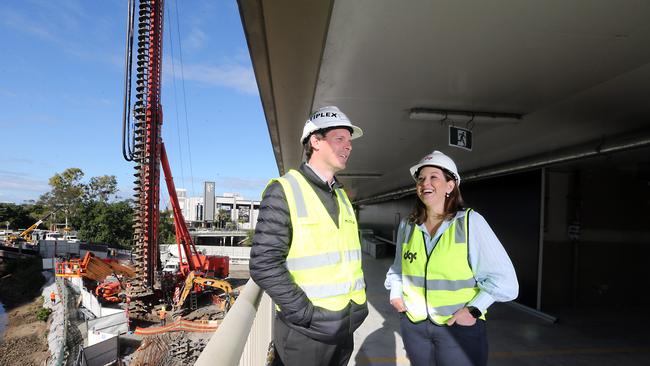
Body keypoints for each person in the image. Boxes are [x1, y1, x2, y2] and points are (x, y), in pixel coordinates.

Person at [250, 106, 368, 366]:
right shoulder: (284, 190)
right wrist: (304, 313)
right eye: (340, 139)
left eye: (349, 141)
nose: (348, 146)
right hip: (306, 335)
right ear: (315, 141)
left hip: (344, 328)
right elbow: (264, 263)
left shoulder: (341, 196)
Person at [385, 150, 519, 366]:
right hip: (414, 324)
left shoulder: (470, 223)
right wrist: (396, 292)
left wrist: (473, 310)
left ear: (450, 186)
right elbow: (399, 268)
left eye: (433, 177)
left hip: (458, 326)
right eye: (420, 179)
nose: (425, 183)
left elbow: (505, 281)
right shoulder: (408, 226)